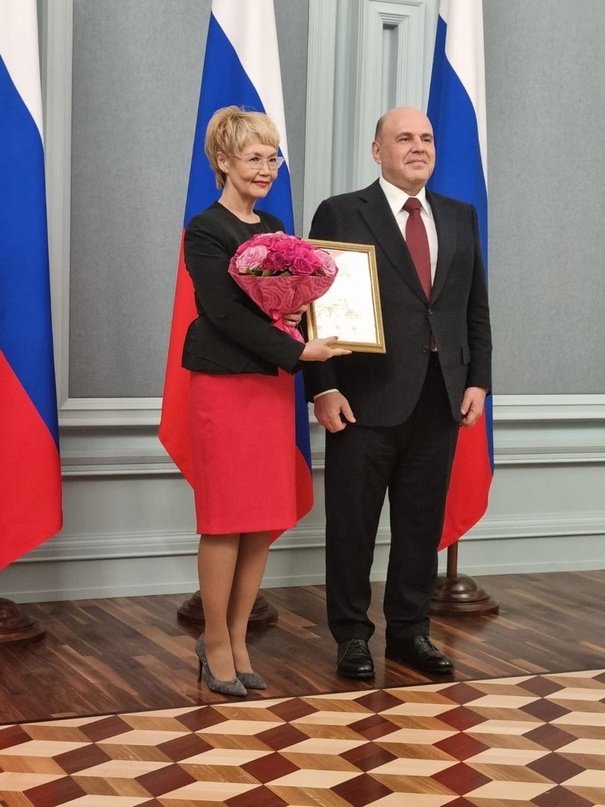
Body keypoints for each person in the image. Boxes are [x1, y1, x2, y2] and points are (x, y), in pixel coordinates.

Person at [303, 106, 492, 679]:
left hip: (441, 396)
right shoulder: (341, 212)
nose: (418, 147)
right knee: (352, 526)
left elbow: (474, 307)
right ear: (377, 151)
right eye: (404, 137)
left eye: (426, 138)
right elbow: (315, 305)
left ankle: (410, 632)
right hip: (363, 398)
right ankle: (351, 636)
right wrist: (322, 388)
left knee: (420, 525)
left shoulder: (459, 215)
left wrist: (478, 379)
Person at [183, 106, 350, 697]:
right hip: (224, 386)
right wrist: (298, 350)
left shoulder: (275, 227)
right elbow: (223, 313)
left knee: (261, 519)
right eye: (254, 157)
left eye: (272, 157)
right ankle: (215, 642)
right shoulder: (205, 229)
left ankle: (237, 638)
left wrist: (299, 317)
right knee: (226, 518)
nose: (266, 168)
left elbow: (283, 307)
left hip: (271, 387)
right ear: (223, 161)